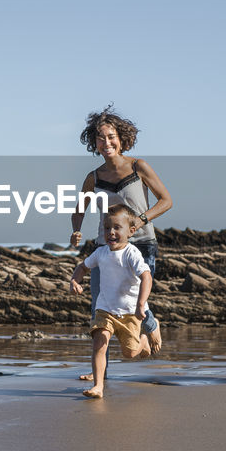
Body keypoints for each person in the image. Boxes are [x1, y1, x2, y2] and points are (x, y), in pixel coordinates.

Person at [68, 105, 172, 358]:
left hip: (142, 243)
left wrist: (142, 218)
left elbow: (166, 200)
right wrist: (76, 231)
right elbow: (79, 209)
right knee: (99, 306)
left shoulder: (139, 167)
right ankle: (99, 373)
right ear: (95, 143)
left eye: (111, 136)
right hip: (105, 246)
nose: (106, 142)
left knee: (132, 297)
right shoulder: (94, 177)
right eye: (100, 138)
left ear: (121, 139)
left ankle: (150, 325)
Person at [68, 203, 153, 398]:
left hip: (129, 312)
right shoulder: (100, 253)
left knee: (130, 353)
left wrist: (141, 304)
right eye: (107, 228)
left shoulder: (131, 253)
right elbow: (82, 267)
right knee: (99, 343)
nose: (111, 233)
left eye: (117, 228)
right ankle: (98, 386)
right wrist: (74, 280)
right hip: (105, 309)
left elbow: (146, 276)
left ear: (131, 231)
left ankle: (143, 341)